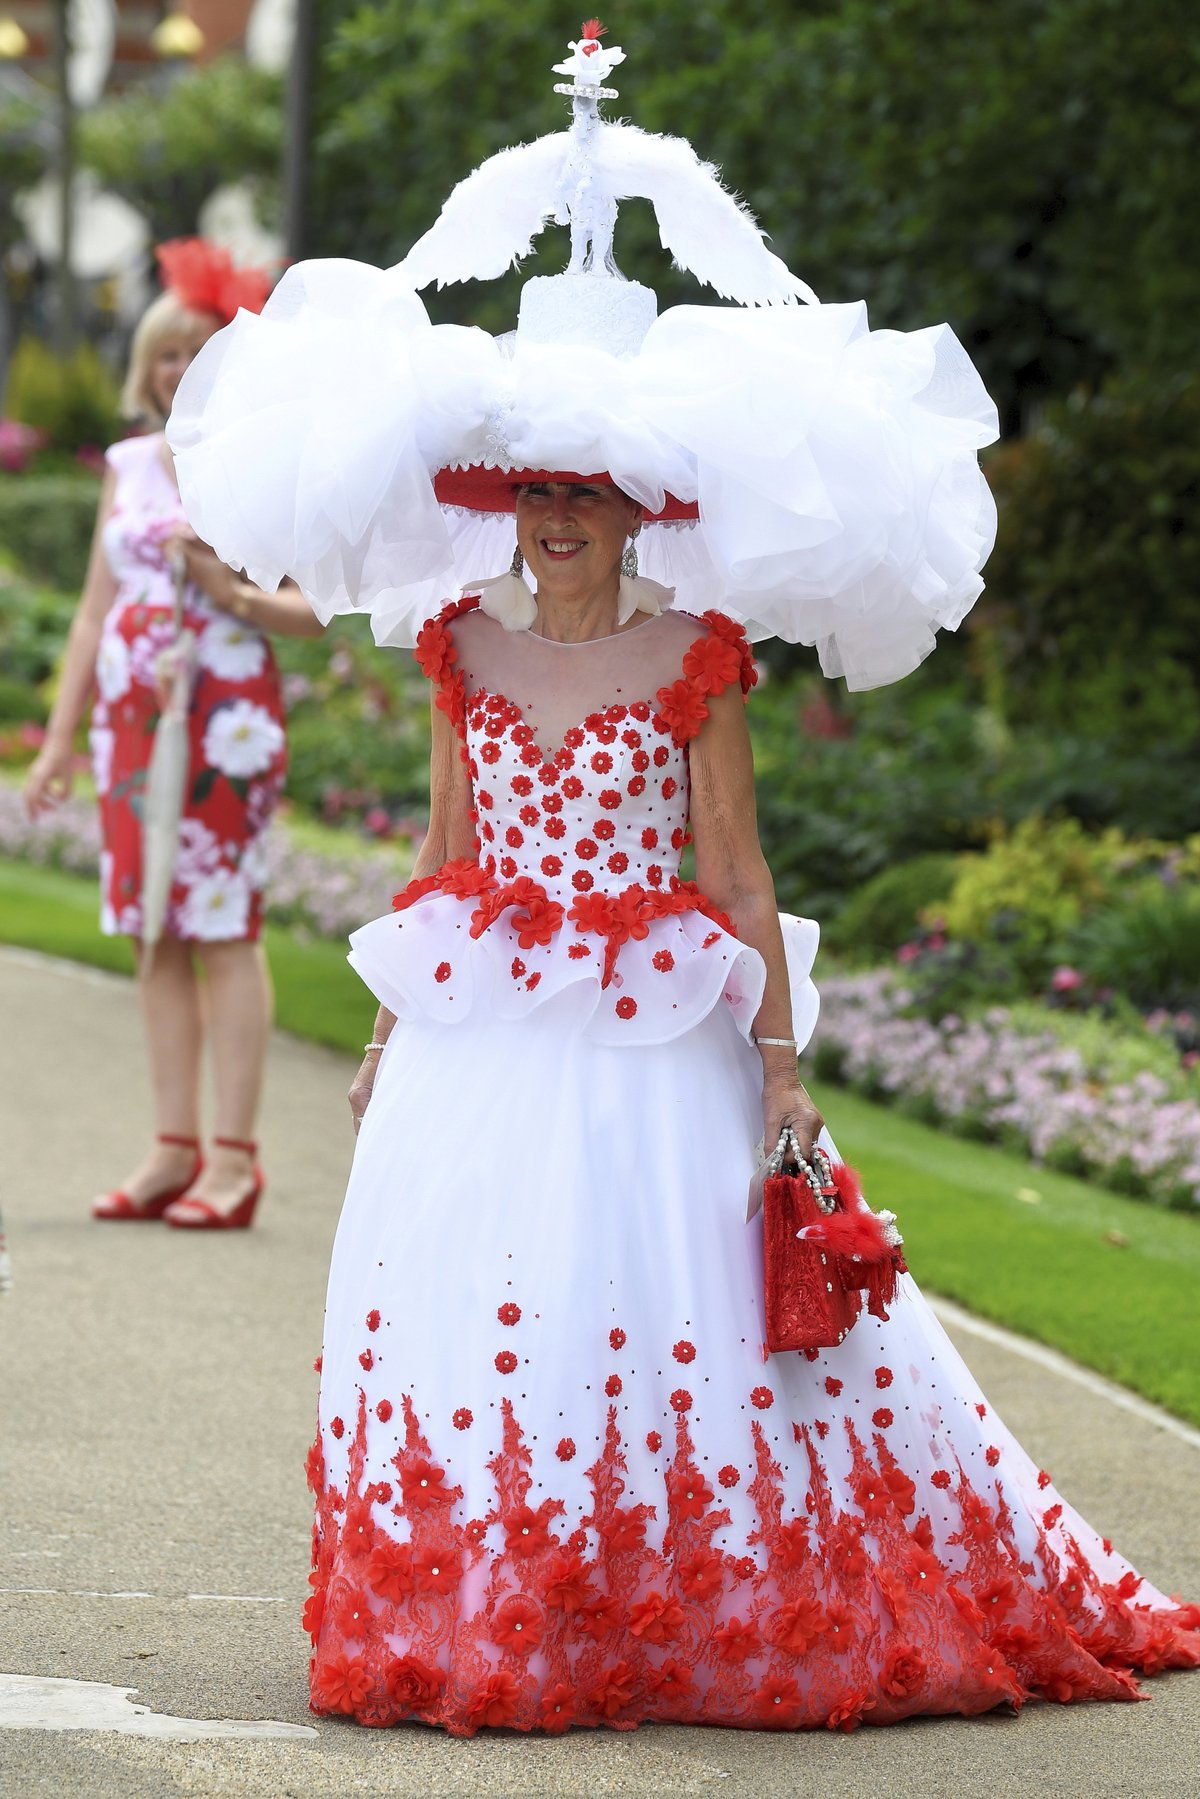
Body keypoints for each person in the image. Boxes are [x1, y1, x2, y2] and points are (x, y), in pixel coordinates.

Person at [168, 27, 1199, 1732]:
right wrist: (379, 1035)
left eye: (588, 494)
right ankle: (501, 1591)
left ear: (634, 511)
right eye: (538, 493)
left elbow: (736, 865)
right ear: (504, 506)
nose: (561, 517)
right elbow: (444, 854)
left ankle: (684, 1589)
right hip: (488, 1012)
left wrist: (783, 1063)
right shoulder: (459, 640)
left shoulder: (692, 648)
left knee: (668, 1301)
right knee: (489, 1294)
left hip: (662, 1020)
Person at [24, 241, 324, 1229]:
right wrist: (60, 739)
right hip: (129, 721)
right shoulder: (125, 466)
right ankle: (170, 1145)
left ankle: (234, 1159)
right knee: (152, 931)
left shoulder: (264, 469)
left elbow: (313, 610)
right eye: (164, 351)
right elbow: (89, 610)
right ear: (145, 364)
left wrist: (225, 586)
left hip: (225, 720)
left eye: (200, 349)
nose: (177, 368)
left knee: (222, 928)